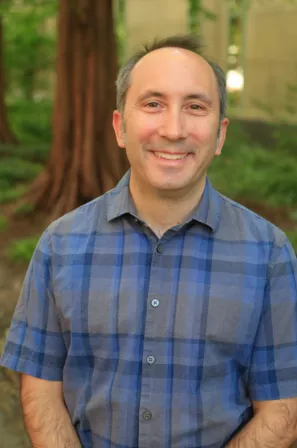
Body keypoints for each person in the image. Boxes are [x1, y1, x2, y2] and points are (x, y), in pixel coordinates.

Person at [1, 34, 297, 448]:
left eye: (195, 107)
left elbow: (283, 408)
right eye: (153, 104)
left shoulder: (270, 255)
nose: (173, 130)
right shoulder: (60, 245)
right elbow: (39, 389)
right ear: (121, 127)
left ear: (220, 135)